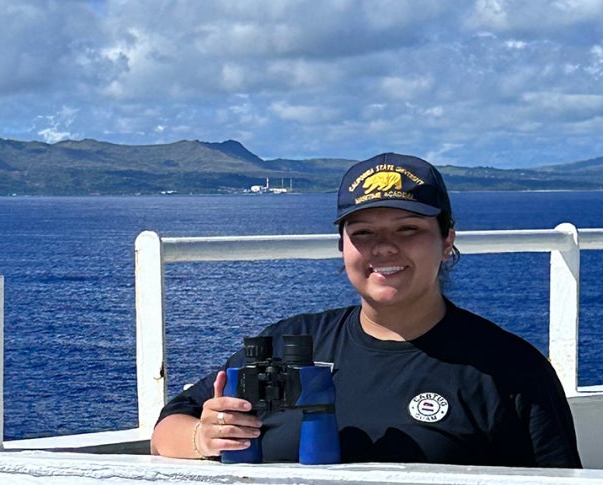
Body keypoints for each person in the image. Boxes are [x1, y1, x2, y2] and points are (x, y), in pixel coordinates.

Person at [149, 152, 580, 467]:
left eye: (408, 229)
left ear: (447, 240)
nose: (383, 248)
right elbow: (169, 429)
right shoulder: (290, 347)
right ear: (343, 246)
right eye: (363, 232)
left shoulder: (507, 371)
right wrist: (205, 438)